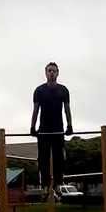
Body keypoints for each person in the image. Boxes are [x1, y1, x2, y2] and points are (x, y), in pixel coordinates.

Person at [30, 62, 73, 193]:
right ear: (46, 73)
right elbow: (36, 110)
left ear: (58, 73)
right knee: (43, 158)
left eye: (54, 71)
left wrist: (70, 125)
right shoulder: (39, 90)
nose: (51, 73)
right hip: (43, 130)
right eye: (49, 70)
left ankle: (58, 183)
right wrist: (32, 127)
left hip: (58, 130)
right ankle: (45, 185)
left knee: (59, 157)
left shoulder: (63, 90)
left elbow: (67, 109)